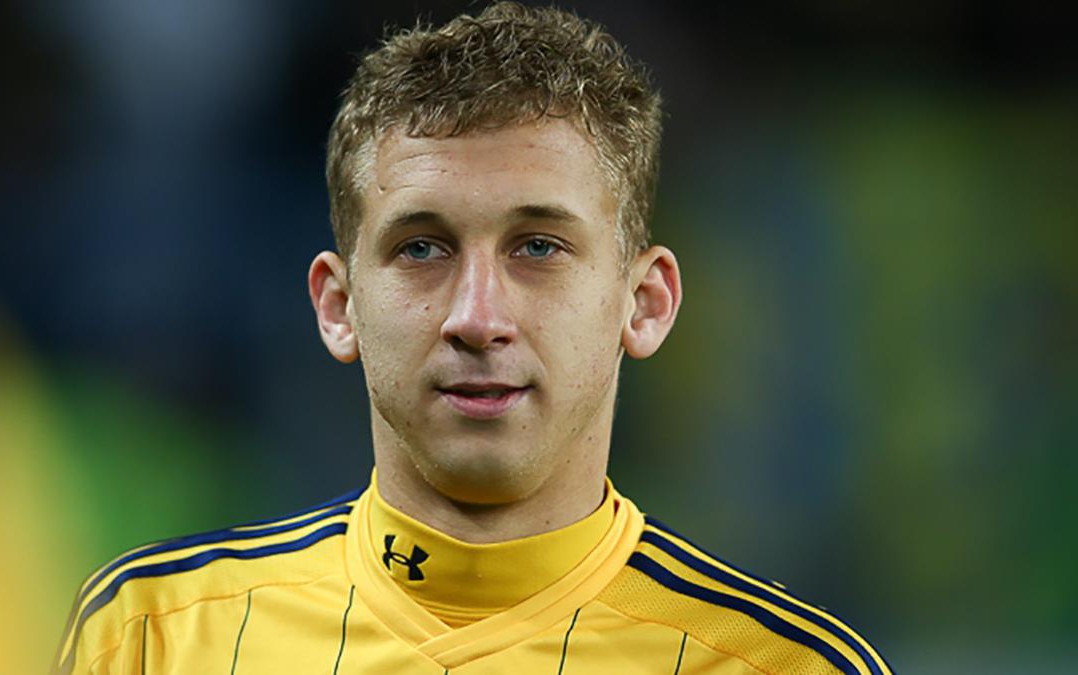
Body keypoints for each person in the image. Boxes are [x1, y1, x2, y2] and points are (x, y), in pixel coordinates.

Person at [53, 3, 893, 673]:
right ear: (338, 305)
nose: (477, 317)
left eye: (539, 247)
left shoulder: (784, 666)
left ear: (644, 303)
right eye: (422, 248)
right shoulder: (151, 637)